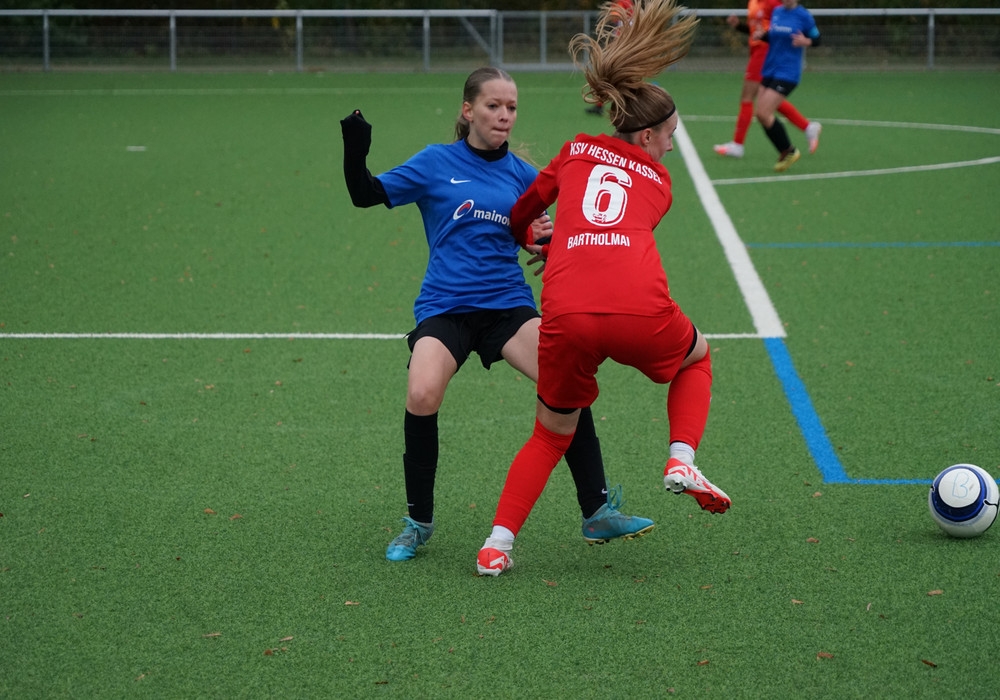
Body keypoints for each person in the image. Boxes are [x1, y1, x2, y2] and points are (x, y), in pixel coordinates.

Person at [340, 67, 655, 563]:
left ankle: (596, 510)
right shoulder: (435, 163)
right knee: (421, 393)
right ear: (468, 111)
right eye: (493, 106)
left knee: (564, 378)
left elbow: (567, 228)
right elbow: (365, 194)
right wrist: (355, 146)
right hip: (445, 307)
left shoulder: (523, 175)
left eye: (511, 107)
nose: (504, 115)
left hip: (507, 305)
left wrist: (551, 245)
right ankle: (418, 522)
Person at [477, 0, 730, 578]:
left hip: (565, 310)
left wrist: (533, 240)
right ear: (647, 135)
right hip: (638, 307)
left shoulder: (572, 151)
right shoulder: (660, 182)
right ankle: (681, 458)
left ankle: (496, 545)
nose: (671, 146)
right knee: (697, 358)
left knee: (550, 435)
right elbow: (617, 223)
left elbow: (524, 211)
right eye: (669, 135)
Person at [713, 0, 821, 160]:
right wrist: (738, 26)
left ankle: (738, 144)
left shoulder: (774, 4)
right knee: (768, 100)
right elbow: (761, 30)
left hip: (765, 54)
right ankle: (807, 127)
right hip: (762, 53)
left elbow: (788, 31)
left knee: (749, 98)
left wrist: (806, 41)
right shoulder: (755, 2)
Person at [753, 0, 821, 171]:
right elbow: (774, 37)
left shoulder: (804, 16)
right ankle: (787, 150)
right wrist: (762, 35)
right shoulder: (777, 11)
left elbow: (817, 39)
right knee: (761, 115)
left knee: (764, 112)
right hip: (770, 69)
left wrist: (806, 41)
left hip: (788, 72)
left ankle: (788, 151)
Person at [584, 0, 634, 116]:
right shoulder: (630, 4)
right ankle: (612, 106)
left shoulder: (622, 2)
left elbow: (614, 16)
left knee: (607, 76)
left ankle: (611, 106)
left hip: (620, 47)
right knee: (621, 79)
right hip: (627, 46)